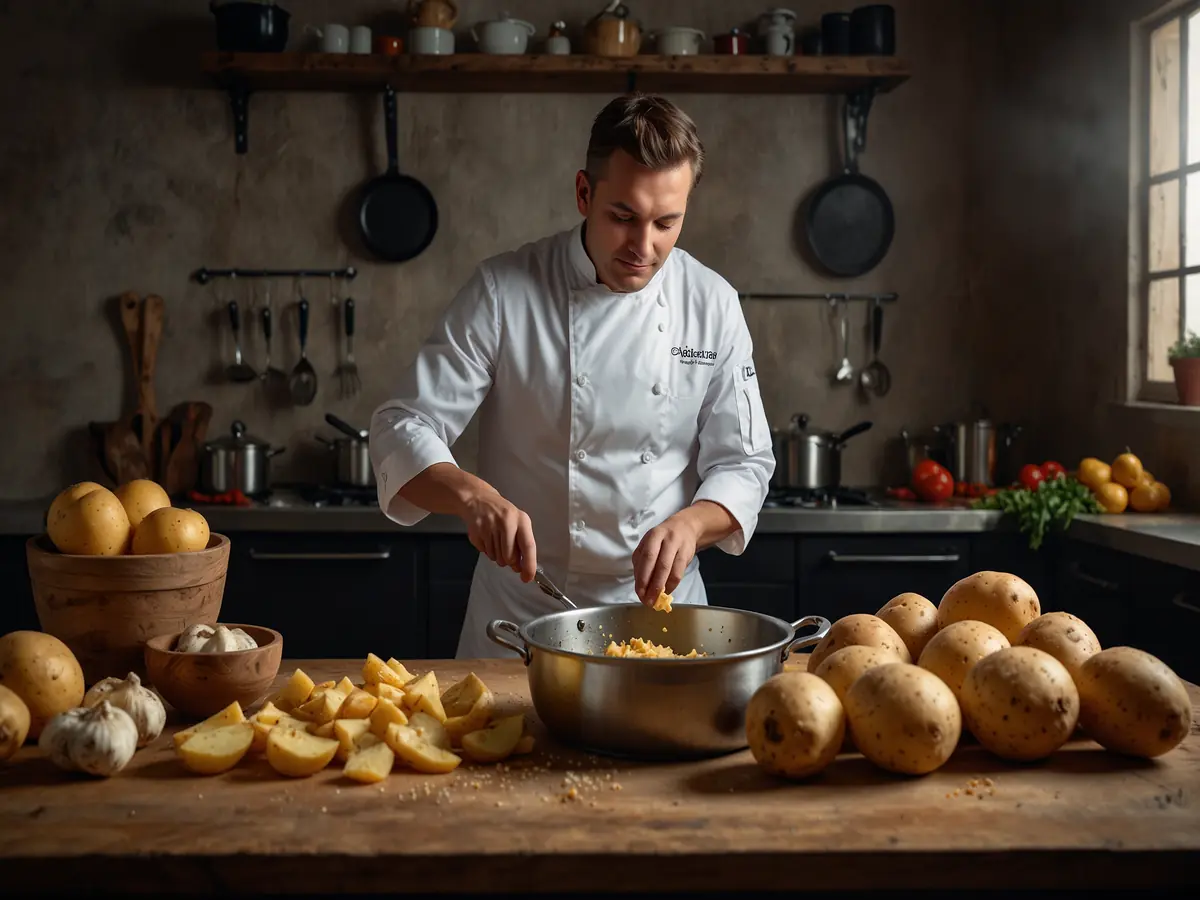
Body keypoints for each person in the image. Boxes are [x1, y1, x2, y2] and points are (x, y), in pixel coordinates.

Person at [369, 93, 775, 659]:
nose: (643, 246)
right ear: (584, 193)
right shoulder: (503, 292)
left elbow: (745, 462)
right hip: (519, 619)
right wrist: (471, 495)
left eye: (666, 222)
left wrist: (691, 524)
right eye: (623, 217)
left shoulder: (712, 304)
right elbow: (400, 425)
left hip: (661, 623)